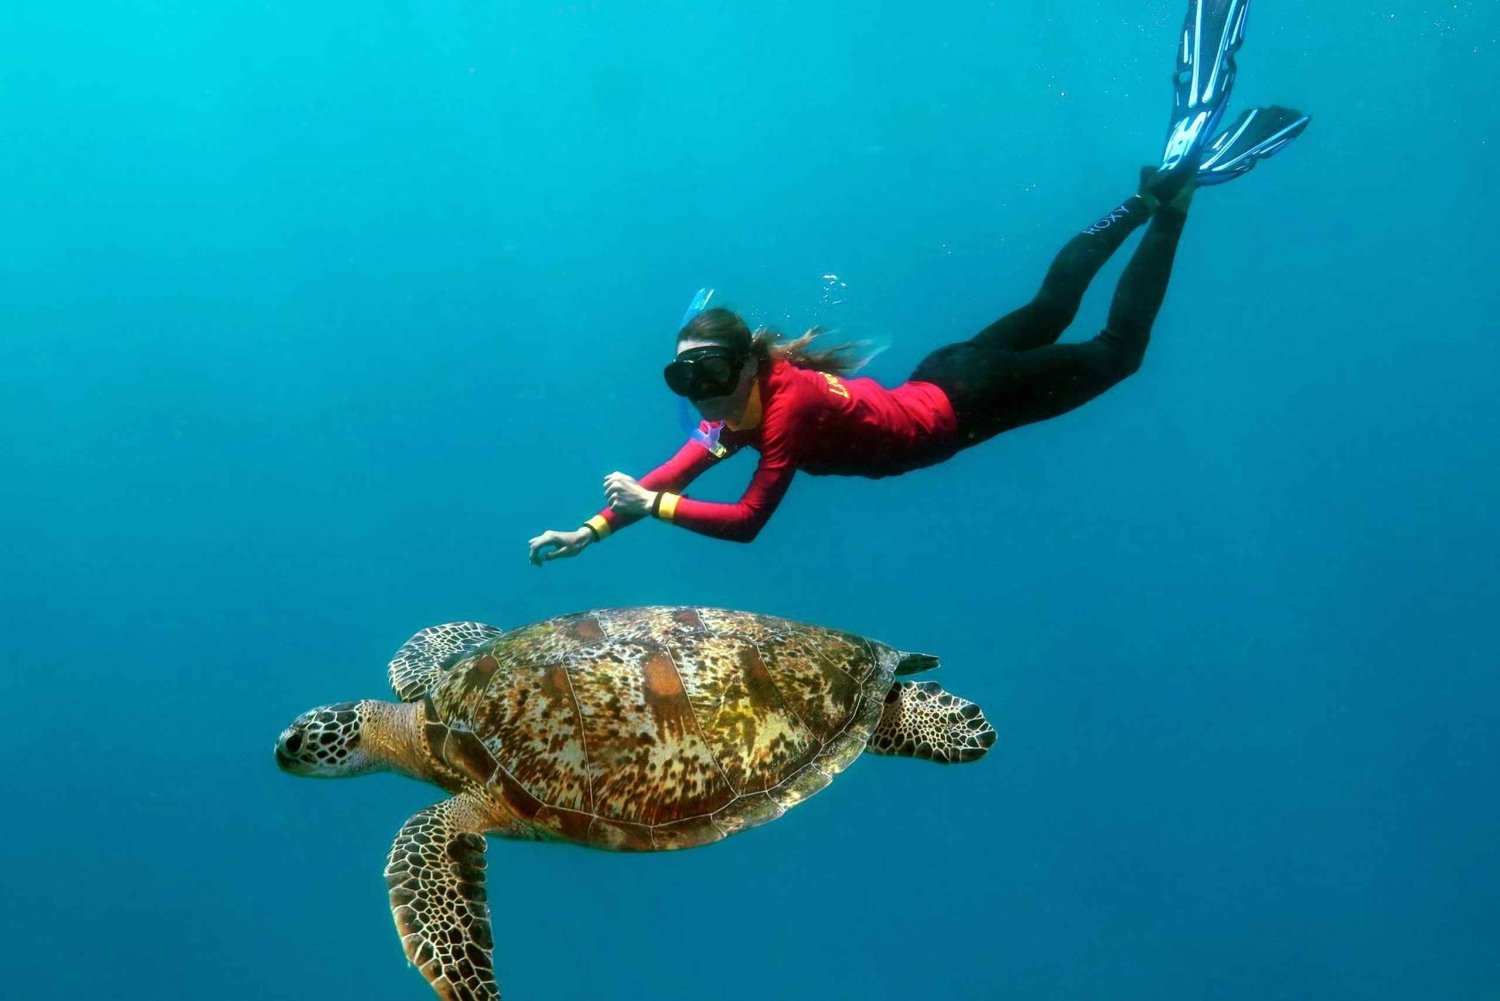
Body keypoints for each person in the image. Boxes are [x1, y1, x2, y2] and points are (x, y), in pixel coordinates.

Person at [529, 0, 1308, 563]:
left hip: (969, 400)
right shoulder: (738, 410)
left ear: (742, 365)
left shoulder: (786, 407)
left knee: (1118, 350)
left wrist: (655, 506)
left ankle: (1170, 205)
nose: (697, 394)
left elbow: (747, 521)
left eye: (705, 373)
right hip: (946, 378)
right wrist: (590, 530)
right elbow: (674, 469)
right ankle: (1144, 197)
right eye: (682, 377)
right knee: (1050, 306)